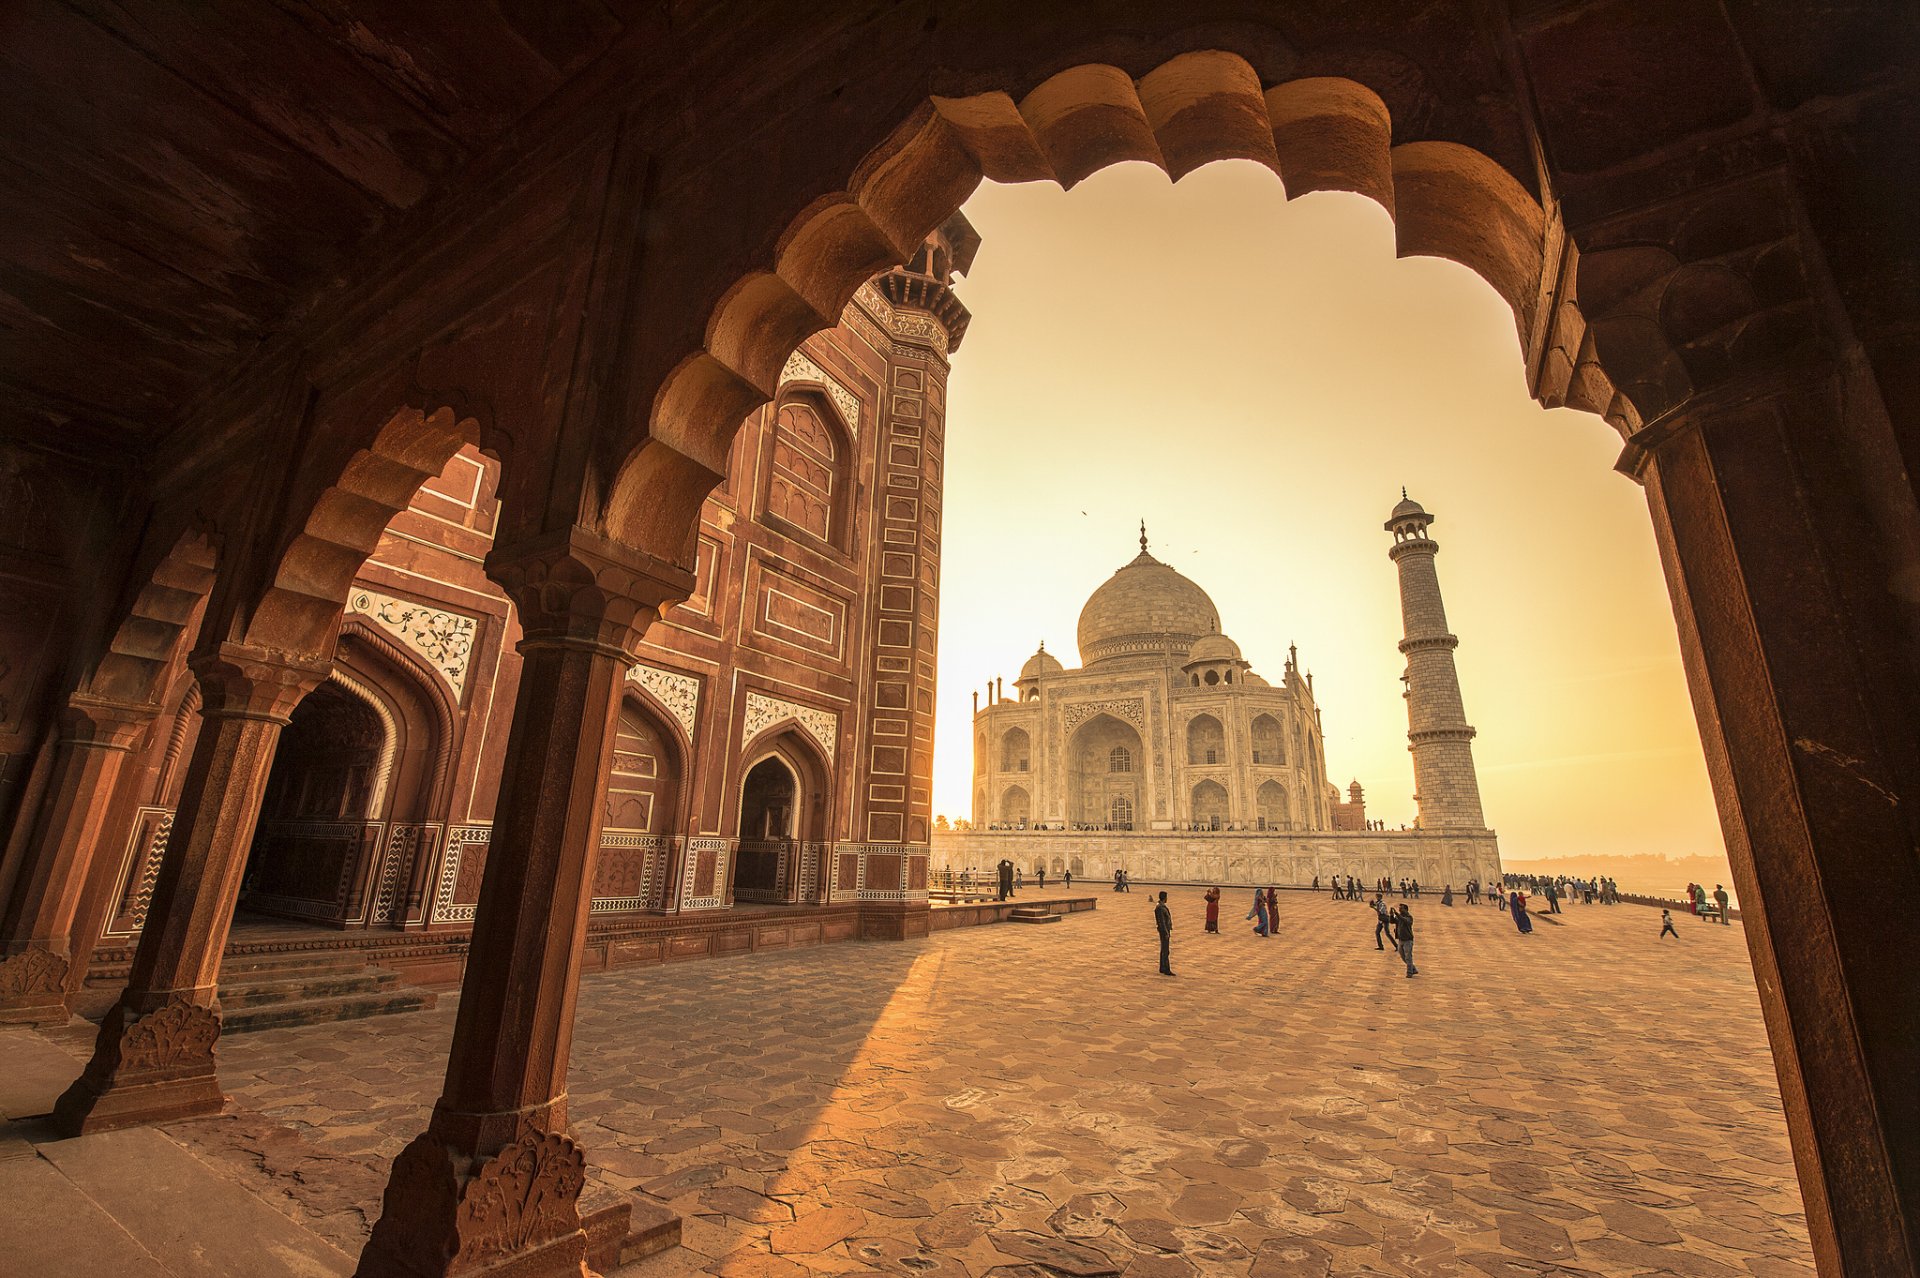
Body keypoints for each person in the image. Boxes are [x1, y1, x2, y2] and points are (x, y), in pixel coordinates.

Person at [1393, 904, 1417, 977]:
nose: (1400, 910)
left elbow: (1406, 921)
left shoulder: (1409, 917)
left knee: (1408, 957)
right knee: (1403, 956)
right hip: (1401, 939)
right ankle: (1413, 969)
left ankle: (1409, 972)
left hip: (1408, 940)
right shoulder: (1399, 917)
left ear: (1406, 910)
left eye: (1401, 909)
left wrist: (1397, 915)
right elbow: (1392, 921)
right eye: (1399, 908)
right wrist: (1391, 915)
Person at [1155, 891, 1174, 976]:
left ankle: (1162, 967)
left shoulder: (1161, 906)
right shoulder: (1160, 908)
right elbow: (1162, 922)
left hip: (1165, 930)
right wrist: (1166, 932)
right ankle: (1166, 968)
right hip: (1164, 931)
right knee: (1165, 950)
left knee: (1164, 949)